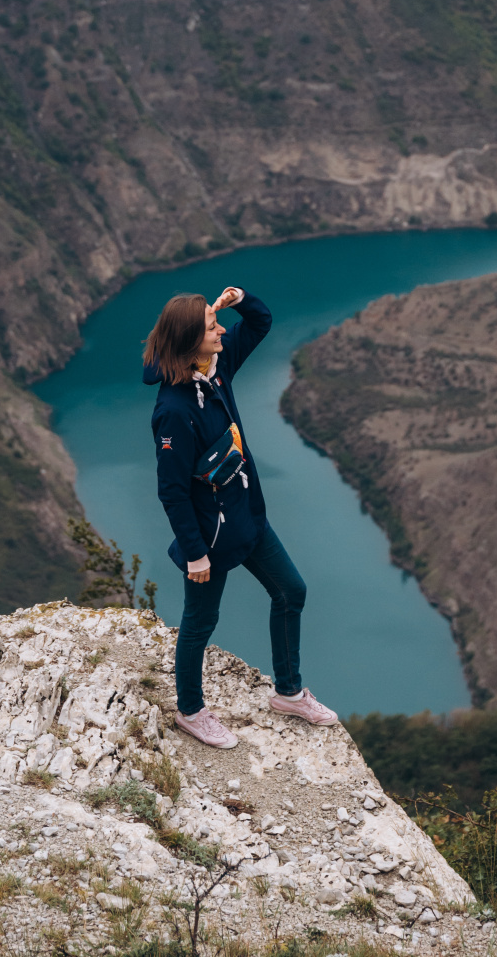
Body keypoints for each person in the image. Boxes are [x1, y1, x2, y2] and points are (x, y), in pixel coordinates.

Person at [144, 284, 337, 748]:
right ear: (190, 341)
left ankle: (288, 693)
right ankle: (191, 711)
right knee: (200, 622)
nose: (223, 332)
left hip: (247, 516)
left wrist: (238, 300)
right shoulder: (173, 411)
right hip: (210, 537)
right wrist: (195, 554)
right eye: (213, 328)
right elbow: (172, 491)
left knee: (290, 591)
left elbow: (260, 322)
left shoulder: (217, 366)